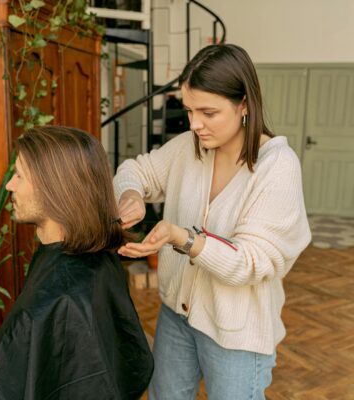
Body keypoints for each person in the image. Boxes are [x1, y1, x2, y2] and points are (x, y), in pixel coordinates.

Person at [113, 43, 311, 400]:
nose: (195, 125)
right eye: (188, 110)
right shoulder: (190, 147)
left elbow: (251, 262)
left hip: (237, 333)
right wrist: (131, 195)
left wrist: (183, 238)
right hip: (176, 317)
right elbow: (135, 170)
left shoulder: (277, 167)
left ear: (244, 105)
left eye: (208, 112)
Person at [0, 126, 154, 400]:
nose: (9, 185)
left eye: (19, 175)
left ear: (55, 188)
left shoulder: (54, 301)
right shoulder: (98, 257)